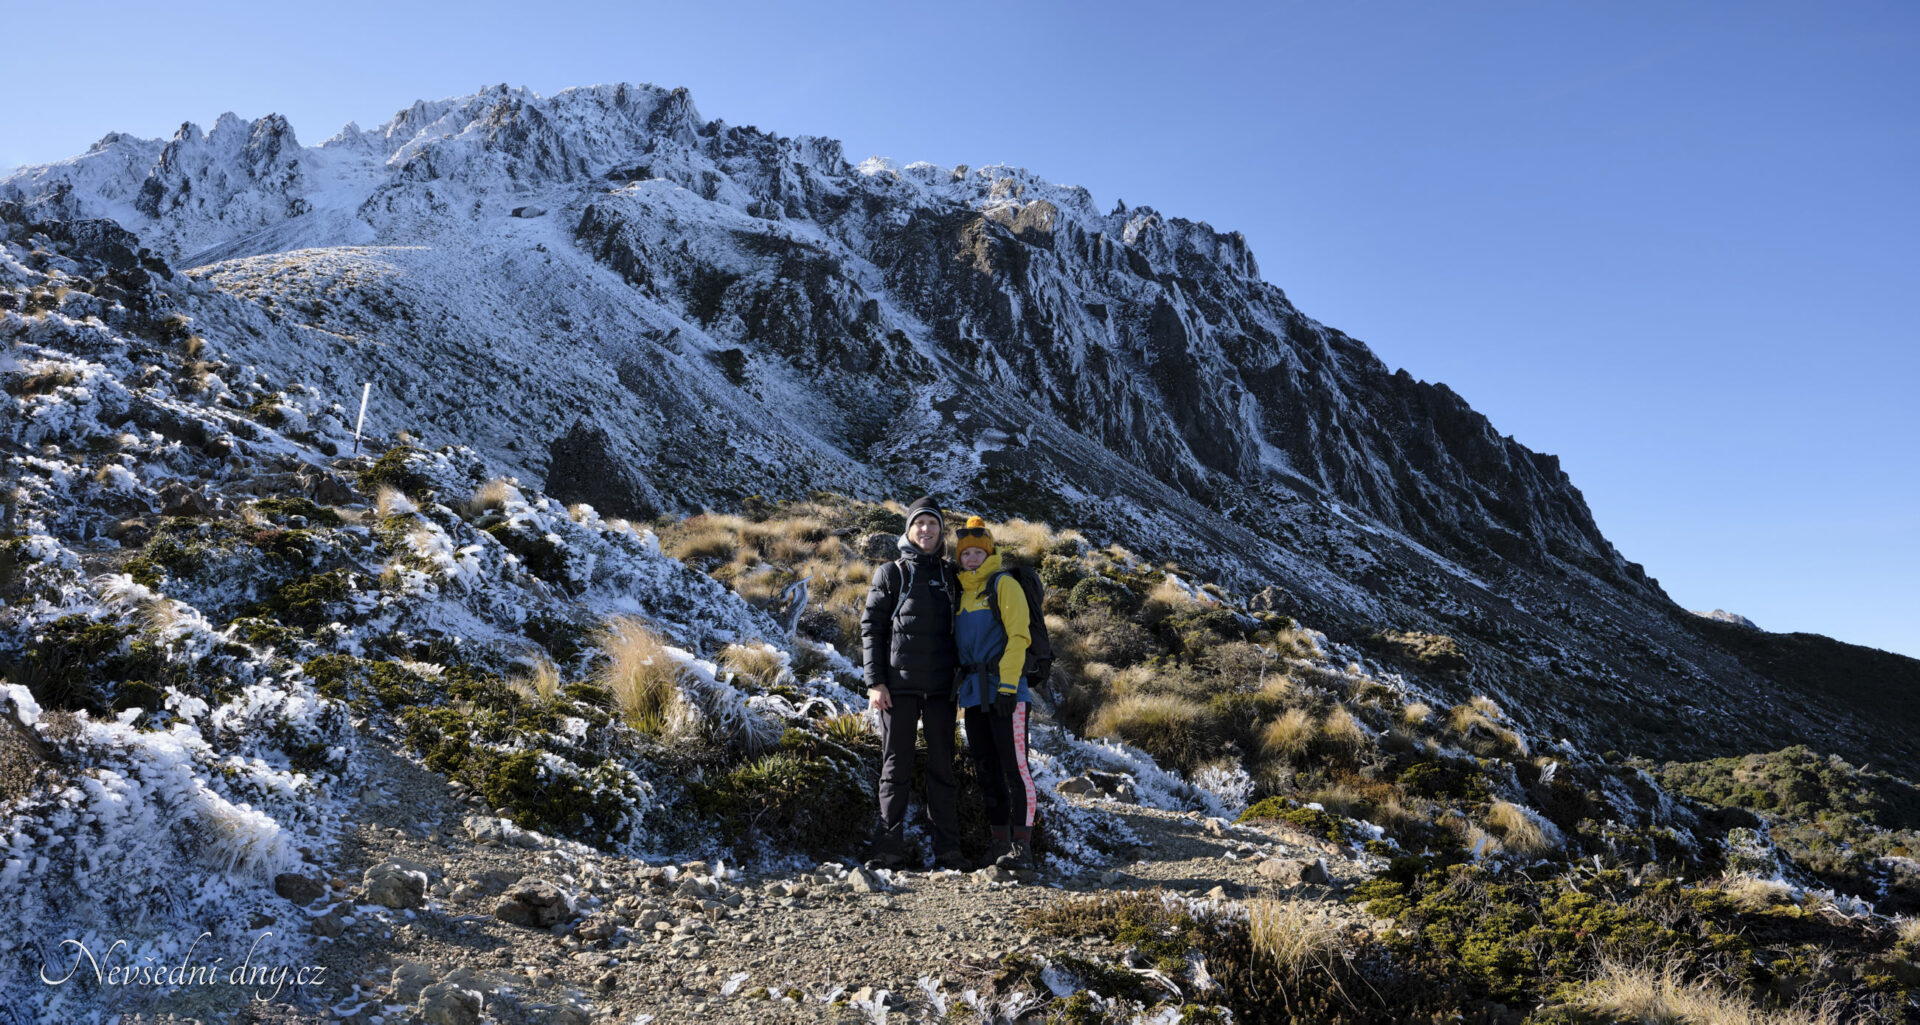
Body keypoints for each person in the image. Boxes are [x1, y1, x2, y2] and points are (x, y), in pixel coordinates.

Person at [860, 496, 965, 871]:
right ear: (909, 529)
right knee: (894, 767)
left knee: (943, 769)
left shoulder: (951, 575)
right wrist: (875, 682)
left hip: (940, 689)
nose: (926, 530)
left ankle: (948, 852)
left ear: (940, 531)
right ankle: (889, 850)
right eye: (919, 523)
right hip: (897, 688)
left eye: (932, 524)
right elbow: (871, 628)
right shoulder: (891, 573)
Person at [951, 516, 1038, 871]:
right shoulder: (960, 592)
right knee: (987, 769)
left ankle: (1023, 848)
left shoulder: (1003, 585)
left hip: (1007, 693)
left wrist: (1007, 687)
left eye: (977, 552)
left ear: (989, 553)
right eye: (965, 553)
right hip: (973, 694)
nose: (971, 558)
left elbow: (1019, 637)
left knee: (1016, 769)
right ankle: (998, 843)